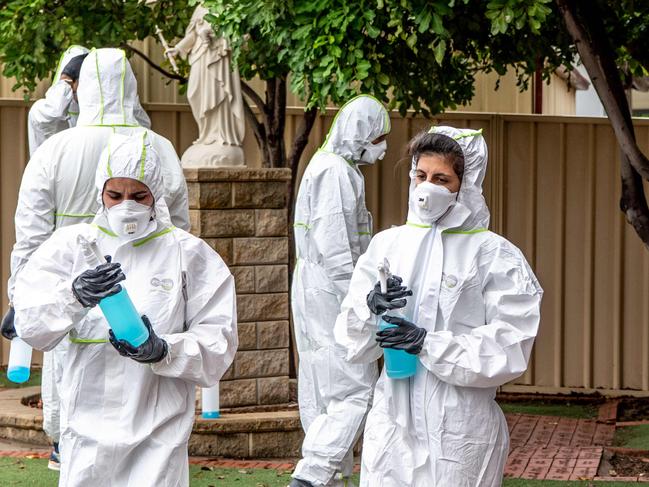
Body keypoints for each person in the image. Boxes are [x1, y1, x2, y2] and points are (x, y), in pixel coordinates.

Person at [12, 133, 238, 487]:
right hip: (85, 437)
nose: (126, 206)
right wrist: (74, 296)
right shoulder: (71, 247)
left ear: (157, 195)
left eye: (139, 196)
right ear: (101, 192)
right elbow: (30, 326)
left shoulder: (188, 254)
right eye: (115, 196)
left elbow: (218, 342)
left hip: (158, 434)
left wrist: (163, 350)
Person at [2, 47, 189, 470]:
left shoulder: (54, 150)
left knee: (73, 421)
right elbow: (181, 234)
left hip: (73, 296)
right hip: (147, 303)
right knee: (149, 420)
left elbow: (30, 236)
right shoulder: (158, 146)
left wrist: (22, 296)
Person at [334, 126, 543, 486]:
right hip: (392, 424)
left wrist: (427, 343)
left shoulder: (494, 254)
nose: (427, 187)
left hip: (459, 430)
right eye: (421, 175)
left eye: (441, 178)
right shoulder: (388, 246)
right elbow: (353, 344)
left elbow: (510, 345)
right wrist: (370, 308)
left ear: (467, 183)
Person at [290, 95, 390, 487]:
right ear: (362, 132)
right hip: (331, 292)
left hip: (317, 289)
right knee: (354, 389)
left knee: (324, 389)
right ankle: (312, 475)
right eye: (380, 138)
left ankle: (329, 478)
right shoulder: (335, 172)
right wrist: (360, 301)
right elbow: (336, 246)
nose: (382, 148)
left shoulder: (332, 167)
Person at [28, 46, 151, 155]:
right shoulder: (40, 110)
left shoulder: (109, 117)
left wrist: (125, 93)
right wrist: (65, 83)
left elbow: (142, 125)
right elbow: (53, 112)